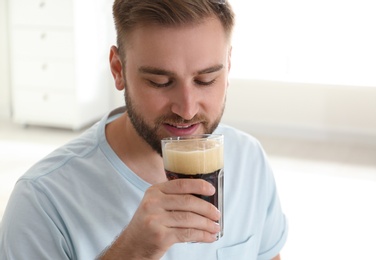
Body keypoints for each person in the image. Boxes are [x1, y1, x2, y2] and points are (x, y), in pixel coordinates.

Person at [0, 0, 288, 259]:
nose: (186, 110)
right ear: (118, 69)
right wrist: (132, 252)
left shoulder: (249, 158)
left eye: (205, 80)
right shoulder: (42, 202)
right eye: (160, 82)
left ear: (228, 66)